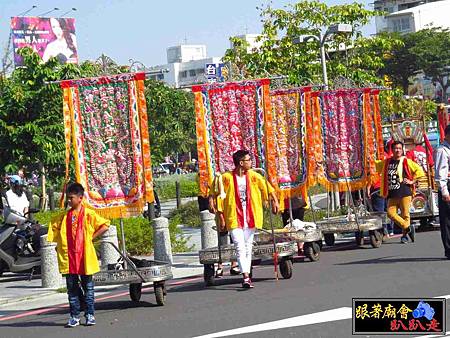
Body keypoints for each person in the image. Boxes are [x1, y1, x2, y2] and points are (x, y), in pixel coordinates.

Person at [213, 150, 279, 288]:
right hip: (233, 217)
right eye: (248, 160)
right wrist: (220, 214)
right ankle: (246, 277)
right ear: (241, 163)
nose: (251, 162)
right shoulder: (226, 178)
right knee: (239, 246)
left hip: (251, 217)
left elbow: (268, 188)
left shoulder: (254, 176)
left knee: (248, 247)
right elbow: (217, 195)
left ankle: (246, 272)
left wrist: (275, 201)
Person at [47, 183, 109, 327]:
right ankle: (74, 316)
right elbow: (53, 229)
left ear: (80, 198)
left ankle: (90, 315)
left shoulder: (88, 214)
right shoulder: (63, 217)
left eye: (71, 198)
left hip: (84, 257)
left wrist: (91, 237)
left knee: (89, 288)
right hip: (69, 259)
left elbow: (105, 225)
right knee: (72, 289)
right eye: (68, 198)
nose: (69, 201)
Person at [376, 141, 425, 244]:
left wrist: (412, 181)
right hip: (392, 193)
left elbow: (419, 171)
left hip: (404, 192)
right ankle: (407, 227)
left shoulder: (406, 161)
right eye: (395, 148)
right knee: (390, 213)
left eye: (399, 148)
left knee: (405, 215)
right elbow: (375, 166)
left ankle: (405, 236)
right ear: (392, 150)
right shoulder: (387, 162)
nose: (397, 150)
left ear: (402, 150)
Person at [434, 124, 450, 259]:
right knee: (447, 220)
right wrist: (444, 192)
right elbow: (440, 174)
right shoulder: (442, 150)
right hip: (447, 187)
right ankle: (449, 249)